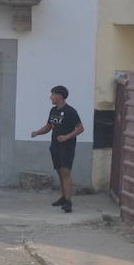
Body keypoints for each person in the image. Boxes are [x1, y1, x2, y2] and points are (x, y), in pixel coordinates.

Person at [29, 85, 84, 213]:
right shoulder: (53, 110)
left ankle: (69, 202)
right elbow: (49, 126)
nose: (51, 97)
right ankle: (63, 197)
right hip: (55, 146)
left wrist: (66, 137)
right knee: (59, 172)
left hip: (67, 147)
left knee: (66, 172)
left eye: (52, 94)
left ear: (59, 96)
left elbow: (81, 128)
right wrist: (37, 132)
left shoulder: (71, 111)